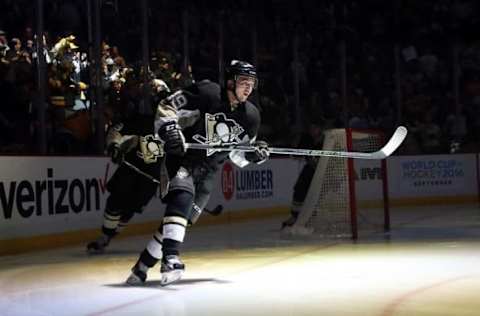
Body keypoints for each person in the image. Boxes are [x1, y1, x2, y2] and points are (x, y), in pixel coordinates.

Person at [126, 60, 270, 285]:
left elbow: (237, 155)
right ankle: (170, 259)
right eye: (243, 82)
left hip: (208, 173)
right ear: (230, 81)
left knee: (180, 220)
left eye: (251, 83)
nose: (248, 88)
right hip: (183, 159)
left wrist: (254, 155)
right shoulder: (208, 93)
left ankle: (142, 267)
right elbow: (168, 105)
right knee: (182, 197)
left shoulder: (251, 116)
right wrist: (169, 129)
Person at [86, 75, 181, 253]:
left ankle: (108, 237)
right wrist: (114, 146)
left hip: (151, 179)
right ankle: (105, 236)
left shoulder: (175, 128)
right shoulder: (141, 120)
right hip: (131, 168)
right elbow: (118, 130)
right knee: (115, 202)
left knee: (129, 210)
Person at [281, 119, 325, 229]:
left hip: (323, 170)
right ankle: (294, 216)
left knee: (315, 193)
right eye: (311, 128)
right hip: (310, 168)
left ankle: (311, 216)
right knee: (299, 189)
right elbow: (298, 154)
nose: (312, 130)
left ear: (320, 128)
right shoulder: (306, 138)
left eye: (315, 128)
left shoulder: (327, 140)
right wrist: (293, 150)